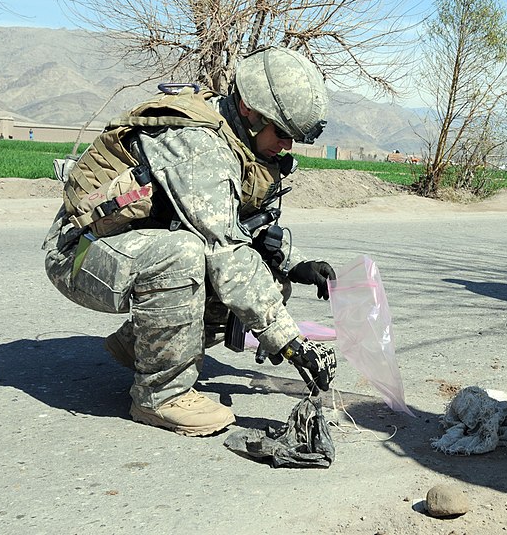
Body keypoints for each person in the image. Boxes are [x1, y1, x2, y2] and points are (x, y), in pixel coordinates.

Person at [43, 47, 338, 436]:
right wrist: (290, 341)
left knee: (266, 281)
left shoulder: (246, 143)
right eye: (282, 133)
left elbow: (244, 226)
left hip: (132, 249)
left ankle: (142, 346)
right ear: (249, 108)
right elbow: (227, 251)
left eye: (294, 138)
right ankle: (160, 395)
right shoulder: (197, 144)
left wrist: (294, 262)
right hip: (79, 254)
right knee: (187, 255)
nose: (286, 145)